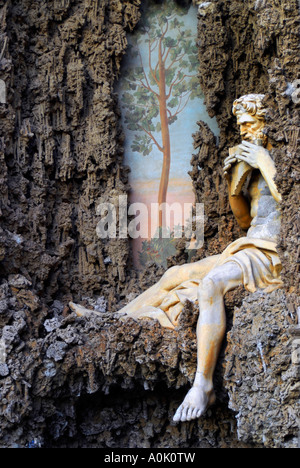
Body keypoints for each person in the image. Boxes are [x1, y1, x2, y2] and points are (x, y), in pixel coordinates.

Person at [70, 94, 283, 422]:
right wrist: (233, 186)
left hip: (272, 254)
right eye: (240, 126)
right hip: (248, 245)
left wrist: (265, 161)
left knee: (210, 283)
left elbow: (292, 204)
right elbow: (244, 222)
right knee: (176, 274)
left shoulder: (282, 159)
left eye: (250, 124)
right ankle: (114, 318)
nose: (244, 133)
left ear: (266, 124)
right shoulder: (255, 164)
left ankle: (204, 384)